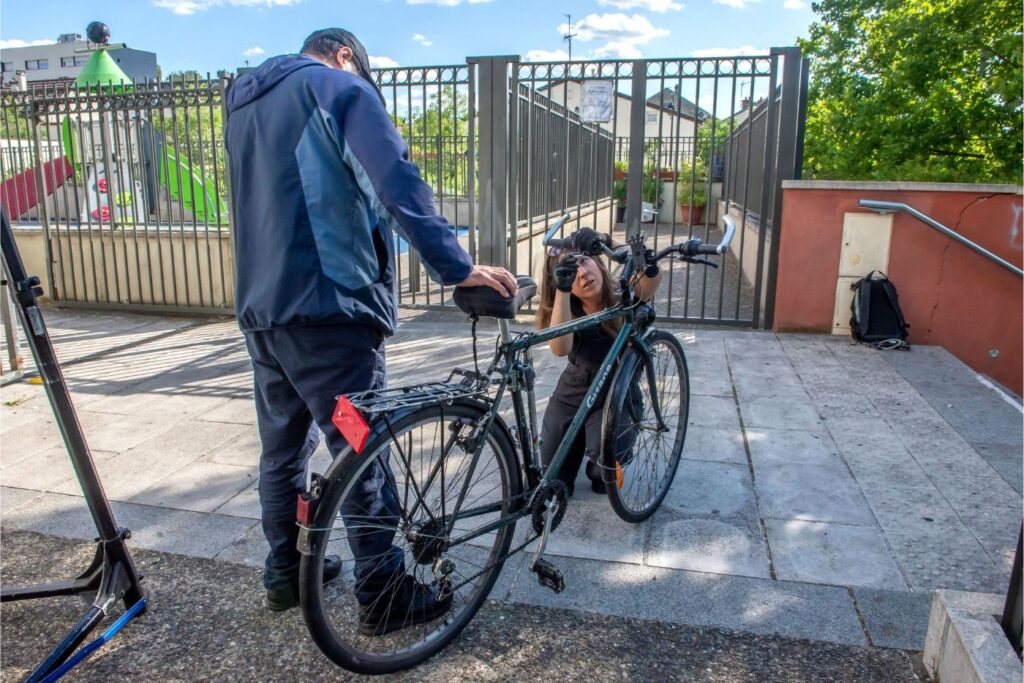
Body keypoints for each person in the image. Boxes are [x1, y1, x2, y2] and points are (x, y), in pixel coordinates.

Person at [224, 28, 517, 631]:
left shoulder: (245, 105)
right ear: (346, 56)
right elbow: (395, 182)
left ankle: (284, 572)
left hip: (264, 313)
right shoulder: (339, 88)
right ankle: (382, 589)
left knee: (282, 450)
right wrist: (457, 269)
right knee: (362, 444)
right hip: (331, 316)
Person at [535, 229, 660, 495]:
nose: (582, 273)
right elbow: (559, 348)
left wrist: (607, 242)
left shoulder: (625, 292)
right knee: (552, 482)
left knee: (603, 473)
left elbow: (650, 284)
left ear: (597, 261)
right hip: (574, 392)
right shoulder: (568, 308)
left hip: (617, 394)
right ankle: (576, 445)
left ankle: (598, 461)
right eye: (570, 269)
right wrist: (563, 290)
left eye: (583, 261)